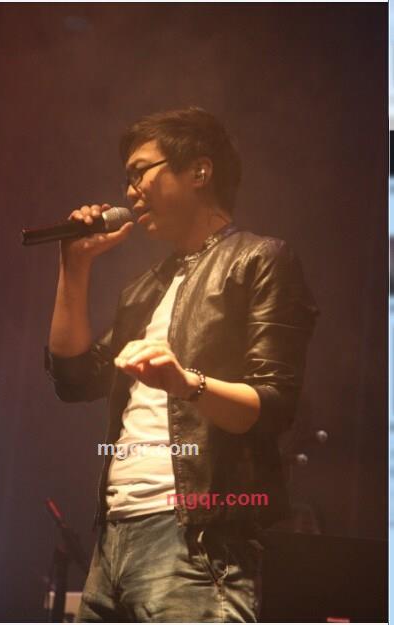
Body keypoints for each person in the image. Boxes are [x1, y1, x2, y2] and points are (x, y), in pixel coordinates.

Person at [45, 106, 318, 622]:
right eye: (126, 179)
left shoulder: (259, 259)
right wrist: (73, 265)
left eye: (140, 172)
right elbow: (73, 378)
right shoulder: (144, 288)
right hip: (114, 534)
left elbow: (273, 406)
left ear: (199, 170)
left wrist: (185, 382)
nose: (130, 192)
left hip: (197, 537)